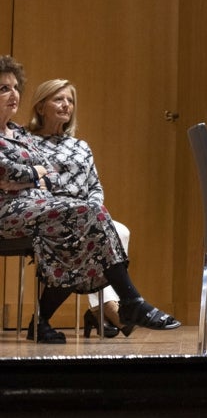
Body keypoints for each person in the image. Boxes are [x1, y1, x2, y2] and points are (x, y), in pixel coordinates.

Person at [0, 56, 180, 342]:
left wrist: (30, 176)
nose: (13, 94)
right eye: (3, 89)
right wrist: (33, 173)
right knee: (86, 220)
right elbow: (10, 170)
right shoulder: (30, 137)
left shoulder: (20, 134)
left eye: (14, 87)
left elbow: (42, 175)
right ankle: (129, 302)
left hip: (37, 208)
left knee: (83, 231)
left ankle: (46, 321)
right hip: (8, 213)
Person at [27, 78, 130, 338]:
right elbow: (30, 185)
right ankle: (106, 307)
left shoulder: (81, 146)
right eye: (58, 99)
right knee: (85, 240)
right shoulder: (27, 142)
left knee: (120, 231)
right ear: (41, 107)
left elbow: (95, 185)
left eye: (70, 100)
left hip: (84, 215)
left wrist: (93, 209)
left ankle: (97, 307)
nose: (66, 105)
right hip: (48, 215)